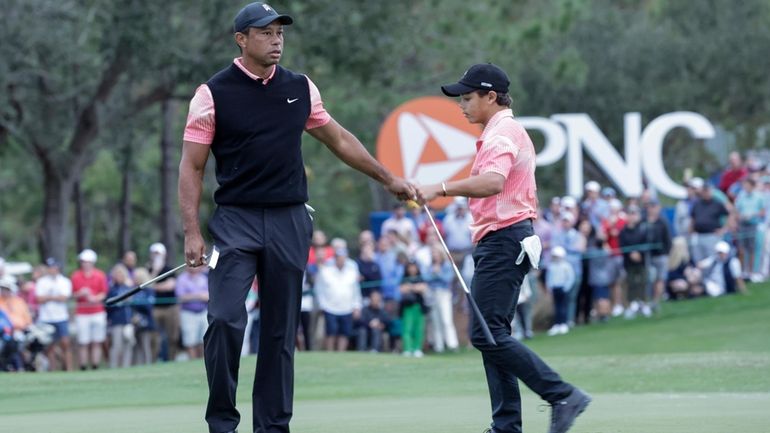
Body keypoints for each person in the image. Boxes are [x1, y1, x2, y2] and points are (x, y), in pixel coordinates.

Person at [178, 4, 416, 430]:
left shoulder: (301, 88)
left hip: (290, 219)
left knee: (279, 332)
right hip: (236, 220)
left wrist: (388, 177)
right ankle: (221, 422)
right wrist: (192, 231)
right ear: (242, 39)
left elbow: (339, 140)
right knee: (224, 319)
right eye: (265, 33)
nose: (276, 41)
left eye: (280, 34)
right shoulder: (212, 94)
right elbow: (191, 166)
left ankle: (273, 426)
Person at [417, 63, 590, 433]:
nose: (461, 106)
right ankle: (507, 424)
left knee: (486, 334)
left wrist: (440, 188)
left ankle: (561, 395)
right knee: (494, 333)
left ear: (490, 97)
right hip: (502, 239)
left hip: (504, 238)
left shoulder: (501, 132)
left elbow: (493, 182)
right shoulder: (501, 131)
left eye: (467, 98)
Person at [314, 247, 362, 351]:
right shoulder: (326, 271)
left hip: (347, 306)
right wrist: (322, 304)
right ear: (335, 258)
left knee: (345, 333)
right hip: (330, 307)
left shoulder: (352, 271)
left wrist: (357, 305)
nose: (341, 259)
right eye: (339, 257)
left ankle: (341, 353)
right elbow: (319, 289)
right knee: (331, 332)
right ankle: (330, 353)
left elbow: (356, 290)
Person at [71, 249, 109, 370]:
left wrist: (95, 298)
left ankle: (95, 365)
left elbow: (104, 293)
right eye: (83, 261)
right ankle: (83, 366)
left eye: (88, 261)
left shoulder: (100, 275)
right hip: (82, 313)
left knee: (97, 341)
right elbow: (72, 294)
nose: (85, 264)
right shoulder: (76, 276)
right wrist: (80, 294)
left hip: (97, 311)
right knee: (83, 341)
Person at [35, 258, 73, 371]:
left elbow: (64, 298)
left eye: (54, 267)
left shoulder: (64, 281)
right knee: (49, 346)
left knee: (65, 343)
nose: (52, 270)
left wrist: (48, 297)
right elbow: (40, 299)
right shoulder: (42, 282)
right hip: (46, 317)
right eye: (50, 267)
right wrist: (55, 297)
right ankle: (53, 369)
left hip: (61, 317)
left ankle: (68, 368)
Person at [423, 246, 459, 353]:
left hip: (444, 293)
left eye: (436, 253)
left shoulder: (446, 265)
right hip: (433, 294)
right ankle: (439, 346)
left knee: (446, 319)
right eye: (433, 253)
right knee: (435, 320)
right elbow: (426, 278)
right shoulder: (430, 266)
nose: (434, 255)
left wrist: (438, 273)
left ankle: (452, 344)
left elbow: (448, 279)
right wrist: (433, 273)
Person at [147, 242, 179, 362]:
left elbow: (170, 286)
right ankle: (154, 361)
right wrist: (155, 271)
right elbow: (146, 285)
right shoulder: (148, 270)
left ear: (164, 255)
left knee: (172, 336)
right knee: (154, 337)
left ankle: (171, 359)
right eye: (154, 254)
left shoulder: (169, 269)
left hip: (171, 307)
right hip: (155, 308)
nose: (156, 256)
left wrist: (153, 285)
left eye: (158, 254)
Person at [619, 206, 650, 319]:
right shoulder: (623, 231)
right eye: (630, 214)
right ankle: (632, 304)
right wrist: (631, 253)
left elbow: (646, 243)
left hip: (641, 261)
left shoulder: (643, 228)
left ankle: (643, 302)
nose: (632, 216)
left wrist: (639, 253)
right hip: (629, 262)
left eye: (634, 213)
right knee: (631, 282)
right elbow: (623, 245)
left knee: (643, 281)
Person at [175, 265, 210, 360]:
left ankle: (203, 362)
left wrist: (193, 296)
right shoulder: (182, 279)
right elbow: (181, 297)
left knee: (203, 340)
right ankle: (193, 362)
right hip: (188, 313)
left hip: (203, 312)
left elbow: (209, 295)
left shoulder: (203, 278)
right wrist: (198, 295)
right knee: (190, 341)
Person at [106, 265, 135, 368]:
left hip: (128, 321)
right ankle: (114, 366)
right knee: (116, 346)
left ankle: (126, 366)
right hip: (116, 321)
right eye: (117, 274)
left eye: (121, 274)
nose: (119, 276)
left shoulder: (129, 288)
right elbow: (109, 305)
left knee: (128, 345)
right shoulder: (112, 290)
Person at [399, 260, 428, 357]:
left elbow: (423, 288)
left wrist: (410, 287)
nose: (412, 269)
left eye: (414, 266)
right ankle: (407, 348)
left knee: (419, 329)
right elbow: (402, 289)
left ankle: (417, 349)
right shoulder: (404, 278)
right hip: (408, 307)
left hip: (419, 306)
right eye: (410, 267)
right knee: (407, 328)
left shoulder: (420, 278)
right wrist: (415, 287)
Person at [546, 246, 575, 336]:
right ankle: (557, 324)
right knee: (557, 307)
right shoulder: (551, 266)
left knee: (563, 306)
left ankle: (563, 323)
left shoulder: (566, 266)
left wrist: (566, 287)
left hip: (563, 288)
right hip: (555, 288)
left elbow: (570, 278)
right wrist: (550, 287)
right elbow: (549, 278)